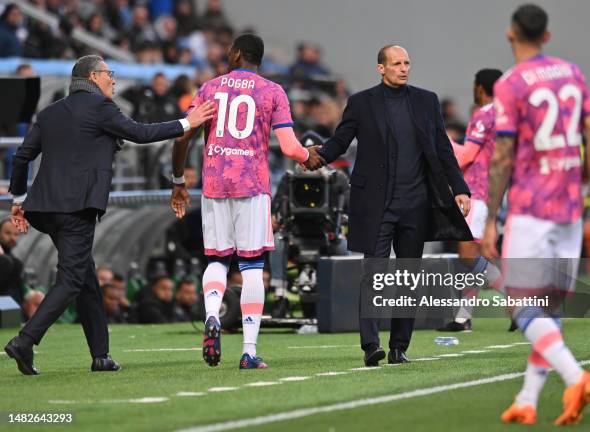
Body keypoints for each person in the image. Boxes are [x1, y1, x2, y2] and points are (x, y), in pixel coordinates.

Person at [3, 55, 215, 376]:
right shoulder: (100, 108)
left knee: (85, 278)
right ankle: (25, 340)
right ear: (92, 77)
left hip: (44, 209)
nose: (113, 80)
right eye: (108, 74)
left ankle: (100, 355)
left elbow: (21, 159)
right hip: (76, 208)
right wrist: (189, 122)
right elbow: (140, 134)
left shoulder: (49, 113)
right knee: (72, 279)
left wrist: (18, 199)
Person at [481, 4, 590, 425]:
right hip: (569, 206)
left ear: (510, 34)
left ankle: (575, 377)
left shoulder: (512, 84)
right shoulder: (571, 72)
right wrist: (583, 184)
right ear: (547, 36)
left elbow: (501, 159)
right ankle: (528, 398)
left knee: (520, 306)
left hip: (532, 207)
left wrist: (489, 220)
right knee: (548, 307)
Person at [312, 44, 472, 367]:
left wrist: (460, 189)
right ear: (380, 68)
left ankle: (399, 347)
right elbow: (340, 142)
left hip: (416, 203)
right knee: (374, 272)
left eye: (407, 62)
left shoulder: (427, 101)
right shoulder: (361, 103)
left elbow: (443, 149)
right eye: (396, 63)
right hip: (377, 203)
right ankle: (371, 345)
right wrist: (314, 157)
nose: (404, 68)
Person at [171, 33, 323, 370]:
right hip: (252, 185)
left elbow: (182, 137)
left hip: (214, 184)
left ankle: (212, 314)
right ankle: (249, 351)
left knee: (216, 259)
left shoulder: (210, 88)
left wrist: (178, 180)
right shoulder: (272, 92)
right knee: (252, 266)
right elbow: (288, 146)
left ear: (238, 53)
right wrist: (309, 156)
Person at [438, 69, 504, 332]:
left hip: (476, 190)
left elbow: (465, 157)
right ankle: (463, 317)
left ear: (481, 88)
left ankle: (520, 304)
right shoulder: (506, 114)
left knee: (467, 255)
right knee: (475, 254)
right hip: (495, 190)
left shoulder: (485, 114)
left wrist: (443, 140)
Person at [0, 217, 24, 305]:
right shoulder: (6, 261)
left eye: (16, 234)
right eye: (7, 233)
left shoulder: (14, 261)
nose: (12, 238)